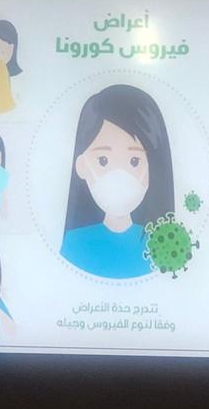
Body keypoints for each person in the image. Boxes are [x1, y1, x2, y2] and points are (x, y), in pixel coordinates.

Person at [60, 84, 174, 279]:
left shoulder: (163, 246)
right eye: (103, 160)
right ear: (81, 165)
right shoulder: (74, 243)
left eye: (134, 161)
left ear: (153, 168)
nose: (119, 176)